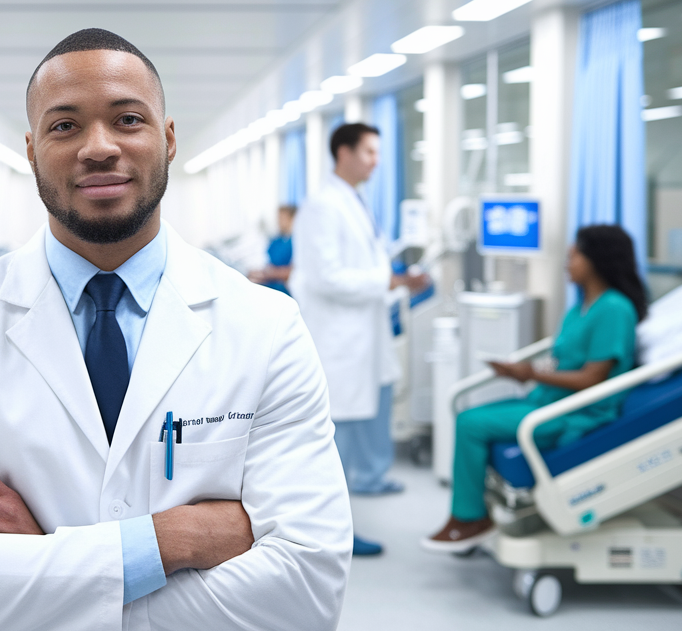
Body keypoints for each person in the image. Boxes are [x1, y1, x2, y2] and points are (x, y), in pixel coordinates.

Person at [0, 28, 351, 631]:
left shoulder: (265, 325)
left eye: (127, 118)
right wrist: (178, 540)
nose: (99, 144)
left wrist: (45, 563)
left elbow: (309, 588)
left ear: (167, 138)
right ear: (32, 150)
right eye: (65, 124)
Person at [423, 225, 646, 552]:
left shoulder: (614, 309)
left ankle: (470, 518)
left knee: (470, 424)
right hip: (547, 402)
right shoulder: (581, 307)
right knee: (470, 414)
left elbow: (592, 379)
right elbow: (564, 362)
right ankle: (471, 513)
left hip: (575, 414)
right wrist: (521, 372)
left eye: (573, 257)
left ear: (597, 260)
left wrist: (530, 373)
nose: (567, 264)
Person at [290, 123, 429, 556]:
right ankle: (332, 536)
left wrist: (392, 280)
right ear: (343, 153)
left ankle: (340, 524)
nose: (376, 160)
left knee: (354, 437)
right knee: (335, 449)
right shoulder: (322, 206)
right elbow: (328, 277)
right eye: (369, 151)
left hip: (360, 336)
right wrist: (388, 278)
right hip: (338, 341)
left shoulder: (352, 200)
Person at [248, 205, 296, 295]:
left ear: (292, 219)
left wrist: (269, 274)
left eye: (282, 218)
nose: (279, 221)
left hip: (285, 286)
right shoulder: (276, 241)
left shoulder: (296, 242)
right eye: (278, 218)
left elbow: (294, 271)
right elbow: (267, 262)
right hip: (270, 281)